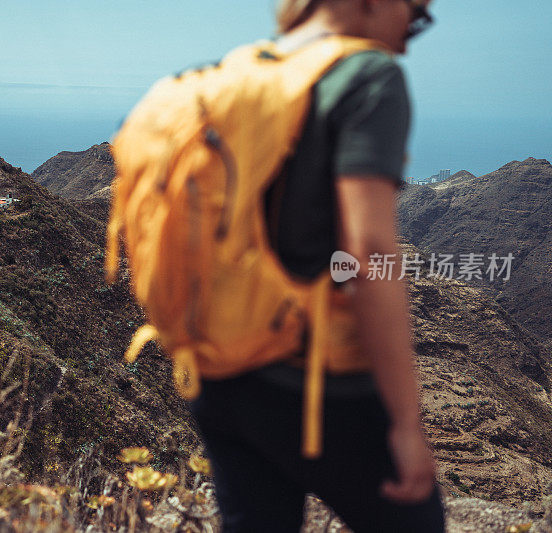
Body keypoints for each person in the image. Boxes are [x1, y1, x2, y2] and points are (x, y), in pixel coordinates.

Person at [185, 0, 445, 531]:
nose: (408, 38)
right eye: (417, 16)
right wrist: (405, 423)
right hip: (310, 379)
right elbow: (368, 255)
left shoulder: (240, 70)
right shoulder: (368, 75)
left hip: (219, 368)